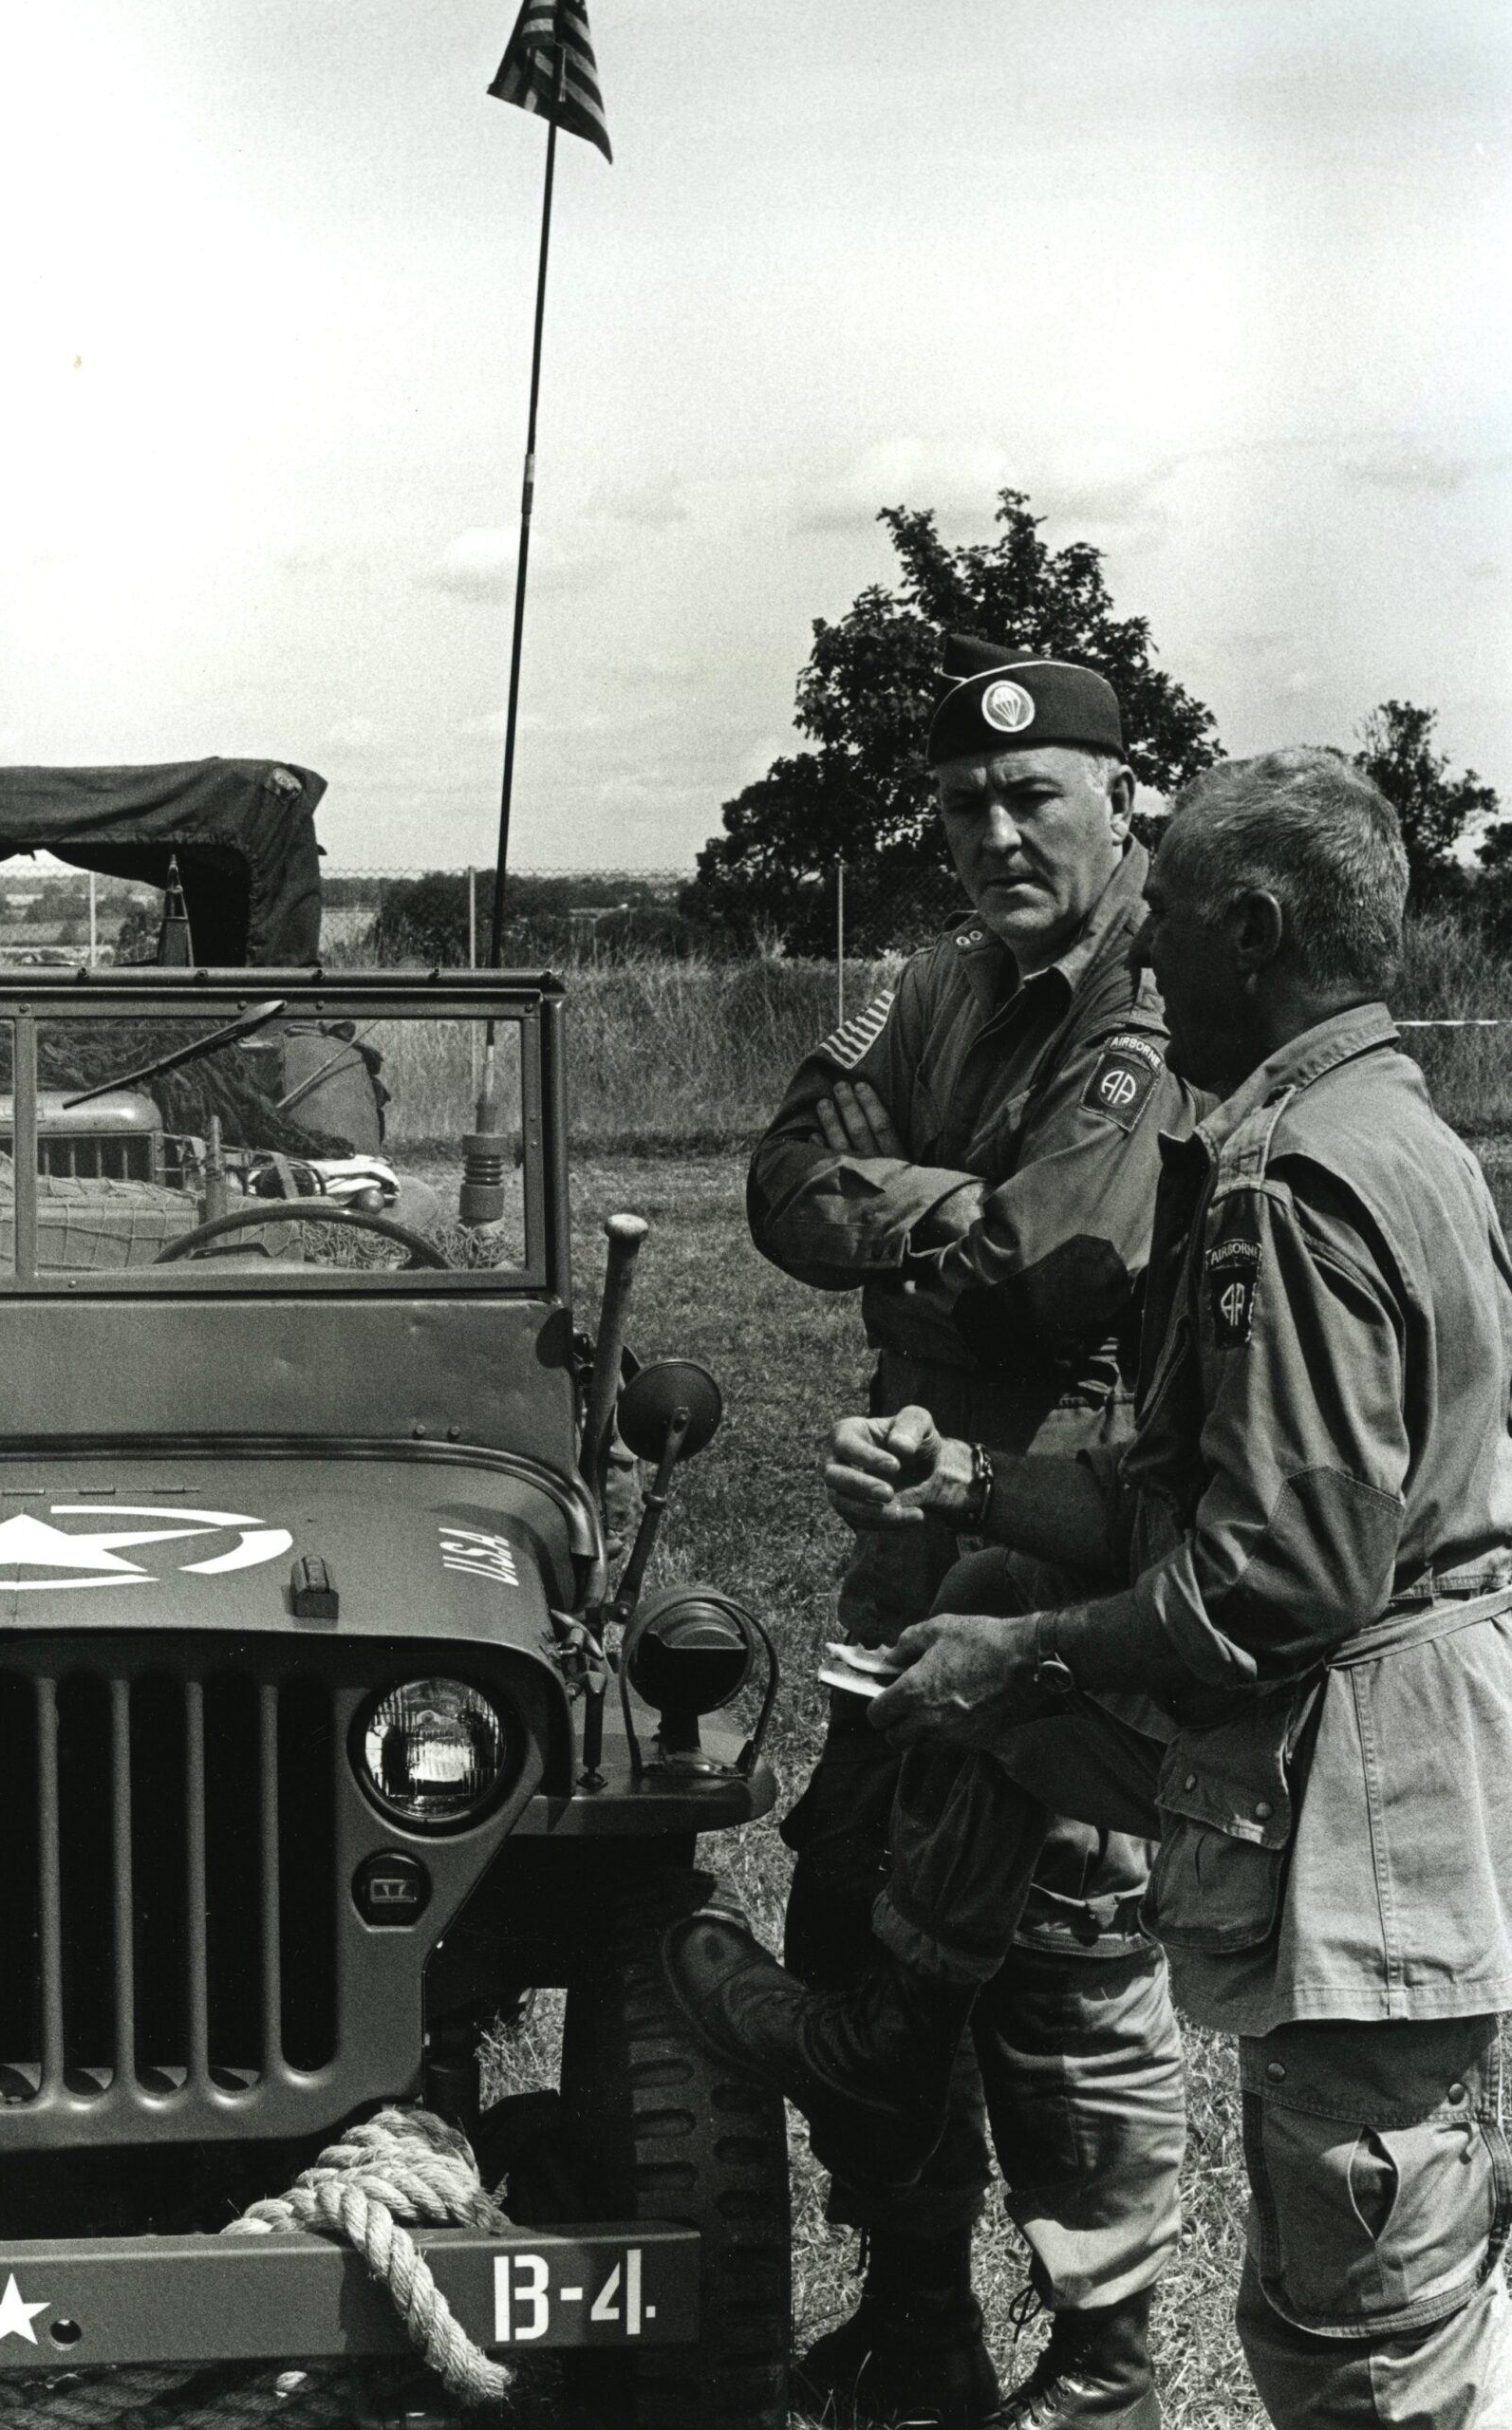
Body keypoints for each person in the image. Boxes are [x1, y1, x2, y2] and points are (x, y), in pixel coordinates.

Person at [673, 748, 1512, 2430]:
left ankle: (1088, 2319)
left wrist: (1027, 1654)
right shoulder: (1377, 1126)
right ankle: (889, 2045)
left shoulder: (1297, 1177)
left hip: (1370, 1788)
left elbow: (1283, 1575)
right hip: (1371, 1736)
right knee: (1362, 2295)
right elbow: (1231, 1512)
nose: (1150, 962)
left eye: (1177, 926)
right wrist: (976, 1490)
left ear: (1254, 927)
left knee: (1364, 2340)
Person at [747, 633, 1200, 2424]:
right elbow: (786, 1186)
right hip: (910, 1548)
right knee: (858, 1921)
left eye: (1034, 795)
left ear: (1120, 796)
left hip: (1070, 1539)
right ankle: (916, 2312)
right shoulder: (932, 986)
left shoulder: (1155, 996)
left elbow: (1049, 1276)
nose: (998, 832)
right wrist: (954, 1209)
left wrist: (920, 1219)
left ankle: (1099, 2360)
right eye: (962, 805)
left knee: (1064, 1961)